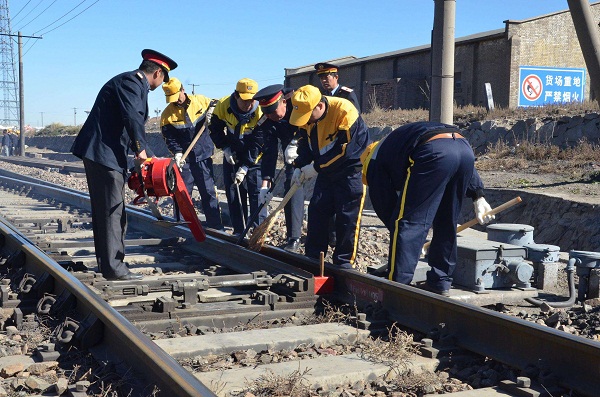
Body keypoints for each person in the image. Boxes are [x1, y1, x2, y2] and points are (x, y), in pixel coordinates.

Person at [71, 49, 177, 281]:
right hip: (102, 154)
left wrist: (150, 157)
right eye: (164, 79)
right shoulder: (132, 82)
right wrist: (141, 151)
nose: (162, 84)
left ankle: (109, 265)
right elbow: (132, 118)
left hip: (104, 153)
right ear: (158, 72)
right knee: (112, 212)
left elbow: (130, 124)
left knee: (109, 211)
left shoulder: (131, 83)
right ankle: (114, 269)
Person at [361, 121, 495, 296]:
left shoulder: (374, 165)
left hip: (432, 152)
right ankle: (440, 282)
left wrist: (412, 242)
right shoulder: (393, 146)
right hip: (463, 148)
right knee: (446, 221)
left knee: (409, 224)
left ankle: (398, 288)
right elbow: (451, 149)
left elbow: (394, 217)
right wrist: (478, 194)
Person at [289, 84, 370, 268]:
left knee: (347, 218)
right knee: (317, 210)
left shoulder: (345, 111)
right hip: (326, 172)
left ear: (319, 106)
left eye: (307, 116)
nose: (305, 121)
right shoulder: (308, 119)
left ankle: (343, 263)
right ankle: (314, 258)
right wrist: (299, 166)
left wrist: (316, 167)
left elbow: (347, 151)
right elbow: (306, 145)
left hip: (350, 173)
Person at [160, 77, 224, 230]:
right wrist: (177, 152)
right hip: (185, 159)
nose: (175, 101)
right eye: (171, 99)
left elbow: (217, 104)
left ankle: (215, 226)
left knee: (208, 191)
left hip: (203, 155)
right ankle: (182, 225)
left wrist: (212, 113)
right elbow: (169, 137)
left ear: (183, 90)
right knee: (182, 193)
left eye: (177, 97)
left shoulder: (201, 101)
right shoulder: (167, 115)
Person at [208, 78, 266, 236]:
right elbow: (215, 129)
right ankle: (239, 230)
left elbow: (259, 142)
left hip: (255, 156)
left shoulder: (261, 110)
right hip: (232, 152)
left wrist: (247, 166)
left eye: (252, 100)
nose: (249, 104)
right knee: (233, 191)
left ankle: (257, 232)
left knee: (256, 193)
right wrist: (225, 148)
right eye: (245, 100)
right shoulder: (223, 105)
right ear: (236, 96)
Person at [253, 84, 304, 252]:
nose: (270, 116)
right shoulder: (267, 120)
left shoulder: (299, 103)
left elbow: (312, 125)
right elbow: (269, 152)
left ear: (284, 102)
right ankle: (294, 237)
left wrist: (296, 141)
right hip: (291, 156)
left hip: (315, 147)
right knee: (291, 185)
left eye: (273, 112)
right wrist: (265, 184)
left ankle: (331, 236)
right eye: (266, 113)